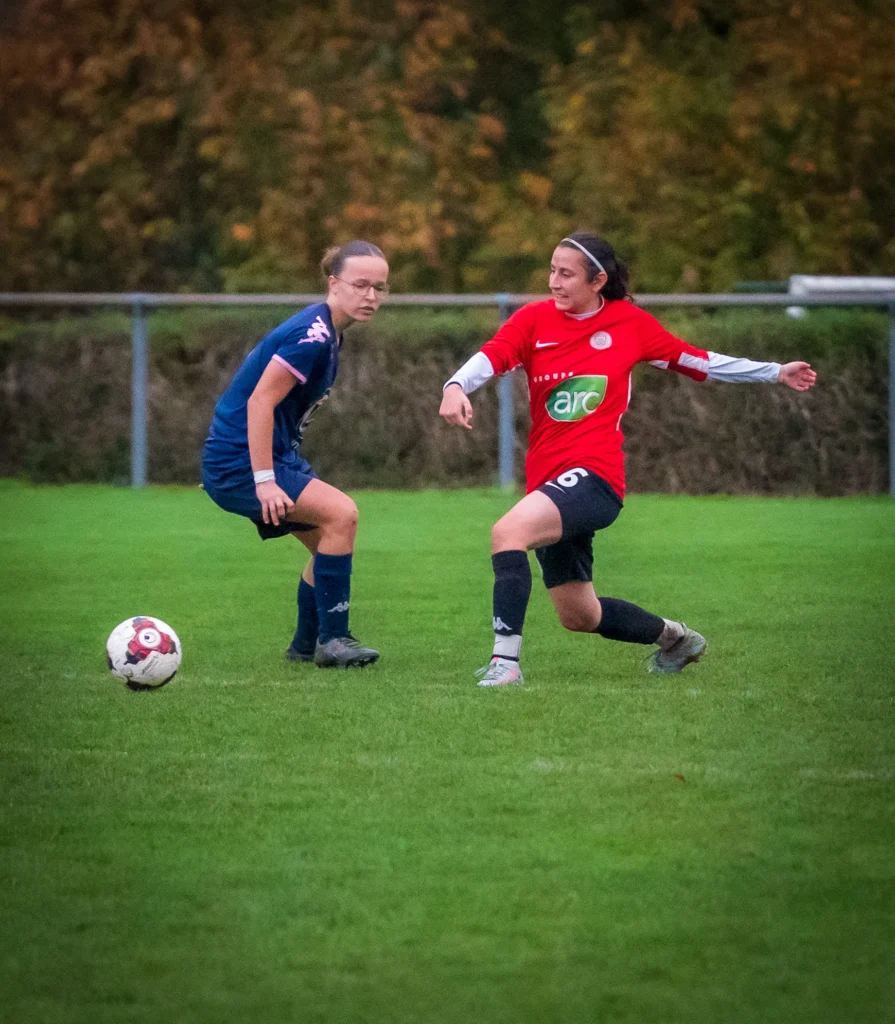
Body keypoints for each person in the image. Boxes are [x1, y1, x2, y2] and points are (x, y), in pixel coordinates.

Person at [439, 231, 817, 687]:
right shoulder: (534, 320)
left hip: (596, 477)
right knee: (579, 615)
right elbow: (493, 356)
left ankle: (505, 665)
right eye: (552, 271)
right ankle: (675, 638)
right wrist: (455, 385)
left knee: (508, 532)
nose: (554, 282)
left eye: (566, 274)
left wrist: (775, 372)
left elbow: (698, 361)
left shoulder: (629, 324)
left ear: (598, 280)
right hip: (548, 481)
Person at [202, 240, 390, 668]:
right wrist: (262, 480)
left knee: (329, 542)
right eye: (360, 285)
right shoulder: (313, 336)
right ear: (333, 283)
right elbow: (259, 402)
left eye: (379, 288)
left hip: (262, 457)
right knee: (342, 515)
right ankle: (334, 641)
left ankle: (305, 647)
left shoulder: (330, 333)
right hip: (242, 462)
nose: (371, 296)